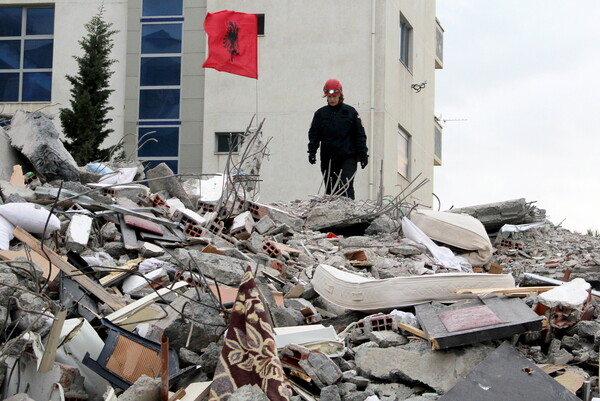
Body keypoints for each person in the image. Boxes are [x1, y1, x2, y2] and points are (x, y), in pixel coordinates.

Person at [307, 78, 368, 200]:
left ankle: (348, 212)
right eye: (329, 97)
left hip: (347, 157)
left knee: (345, 185)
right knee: (331, 190)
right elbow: (314, 134)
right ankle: (332, 214)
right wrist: (312, 151)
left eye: (334, 96)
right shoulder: (320, 114)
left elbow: (360, 135)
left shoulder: (350, 113)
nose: (332, 99)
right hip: (328, 158)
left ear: (340, 94)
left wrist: (363, 154)